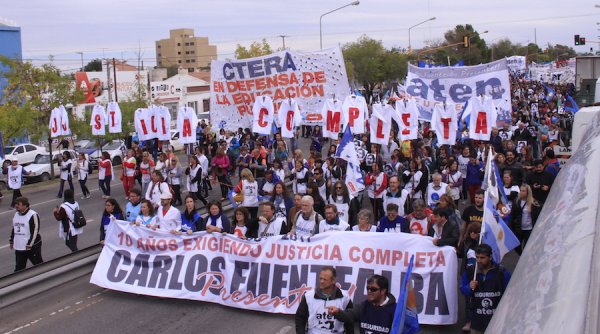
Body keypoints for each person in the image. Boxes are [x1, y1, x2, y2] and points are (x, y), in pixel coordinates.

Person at [460, 244, 511, 333]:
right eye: (477, 257)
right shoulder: (470, 271)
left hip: (496, 319)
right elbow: (463, 289)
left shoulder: (502, 273)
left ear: (490, 257)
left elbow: (509, 293)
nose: (479, 261)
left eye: (482, 258)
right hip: (477, 321)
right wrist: (469, 287)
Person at [327, 275, 396, 334]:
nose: (369, 291)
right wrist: (338, 312)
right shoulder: (363, 306)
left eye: (373, 289)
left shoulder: (395, 310)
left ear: (383, 291)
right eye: (368, 288)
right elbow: (349, 315)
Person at [295, 266, 354, 334]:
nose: (321, 281)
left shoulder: (345, 297)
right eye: (320, 278)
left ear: (333, 280)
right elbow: (300, 318)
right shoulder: (309, 296)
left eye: (325, 279)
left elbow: (350, 320)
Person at [10, 197, 43, 271]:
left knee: (39, 266)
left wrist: (30, 244)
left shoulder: (33, 215)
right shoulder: (16, 214)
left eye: (18, 204)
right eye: (16, 204)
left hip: (31, 247)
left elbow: (35, 231)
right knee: (19, 269)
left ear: (25, 205)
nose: (16, 206)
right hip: (19, 247)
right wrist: (11, 240)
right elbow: (14, 228)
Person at [510, 184, 541, 255]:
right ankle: (521, 256)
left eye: (523, 191)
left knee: (528, 247)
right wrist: (511, 227)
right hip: (519, 228)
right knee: (517, 246)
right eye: (520, 190)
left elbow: (536, 216)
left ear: (527, 192)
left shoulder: (533, 202)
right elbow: (512, 215)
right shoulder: (516, 201)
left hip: (529, 229)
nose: (521, 192)